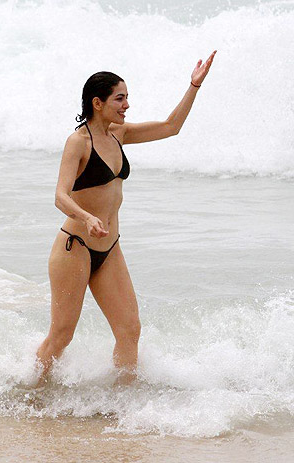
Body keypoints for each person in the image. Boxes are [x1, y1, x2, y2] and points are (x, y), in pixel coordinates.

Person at [35, 51, 217, 386]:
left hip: (109, 249)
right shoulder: (78, 143)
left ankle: (122, 401)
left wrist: (193, 86)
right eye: (120, 98)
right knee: (61, 336)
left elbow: (170, 127)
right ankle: (30, 388)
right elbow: (60, 196)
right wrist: (86, 217)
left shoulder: (118, 134)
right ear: (98, 102)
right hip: (74, 248)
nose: (126, 106)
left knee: (130, 330)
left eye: (127, 98)